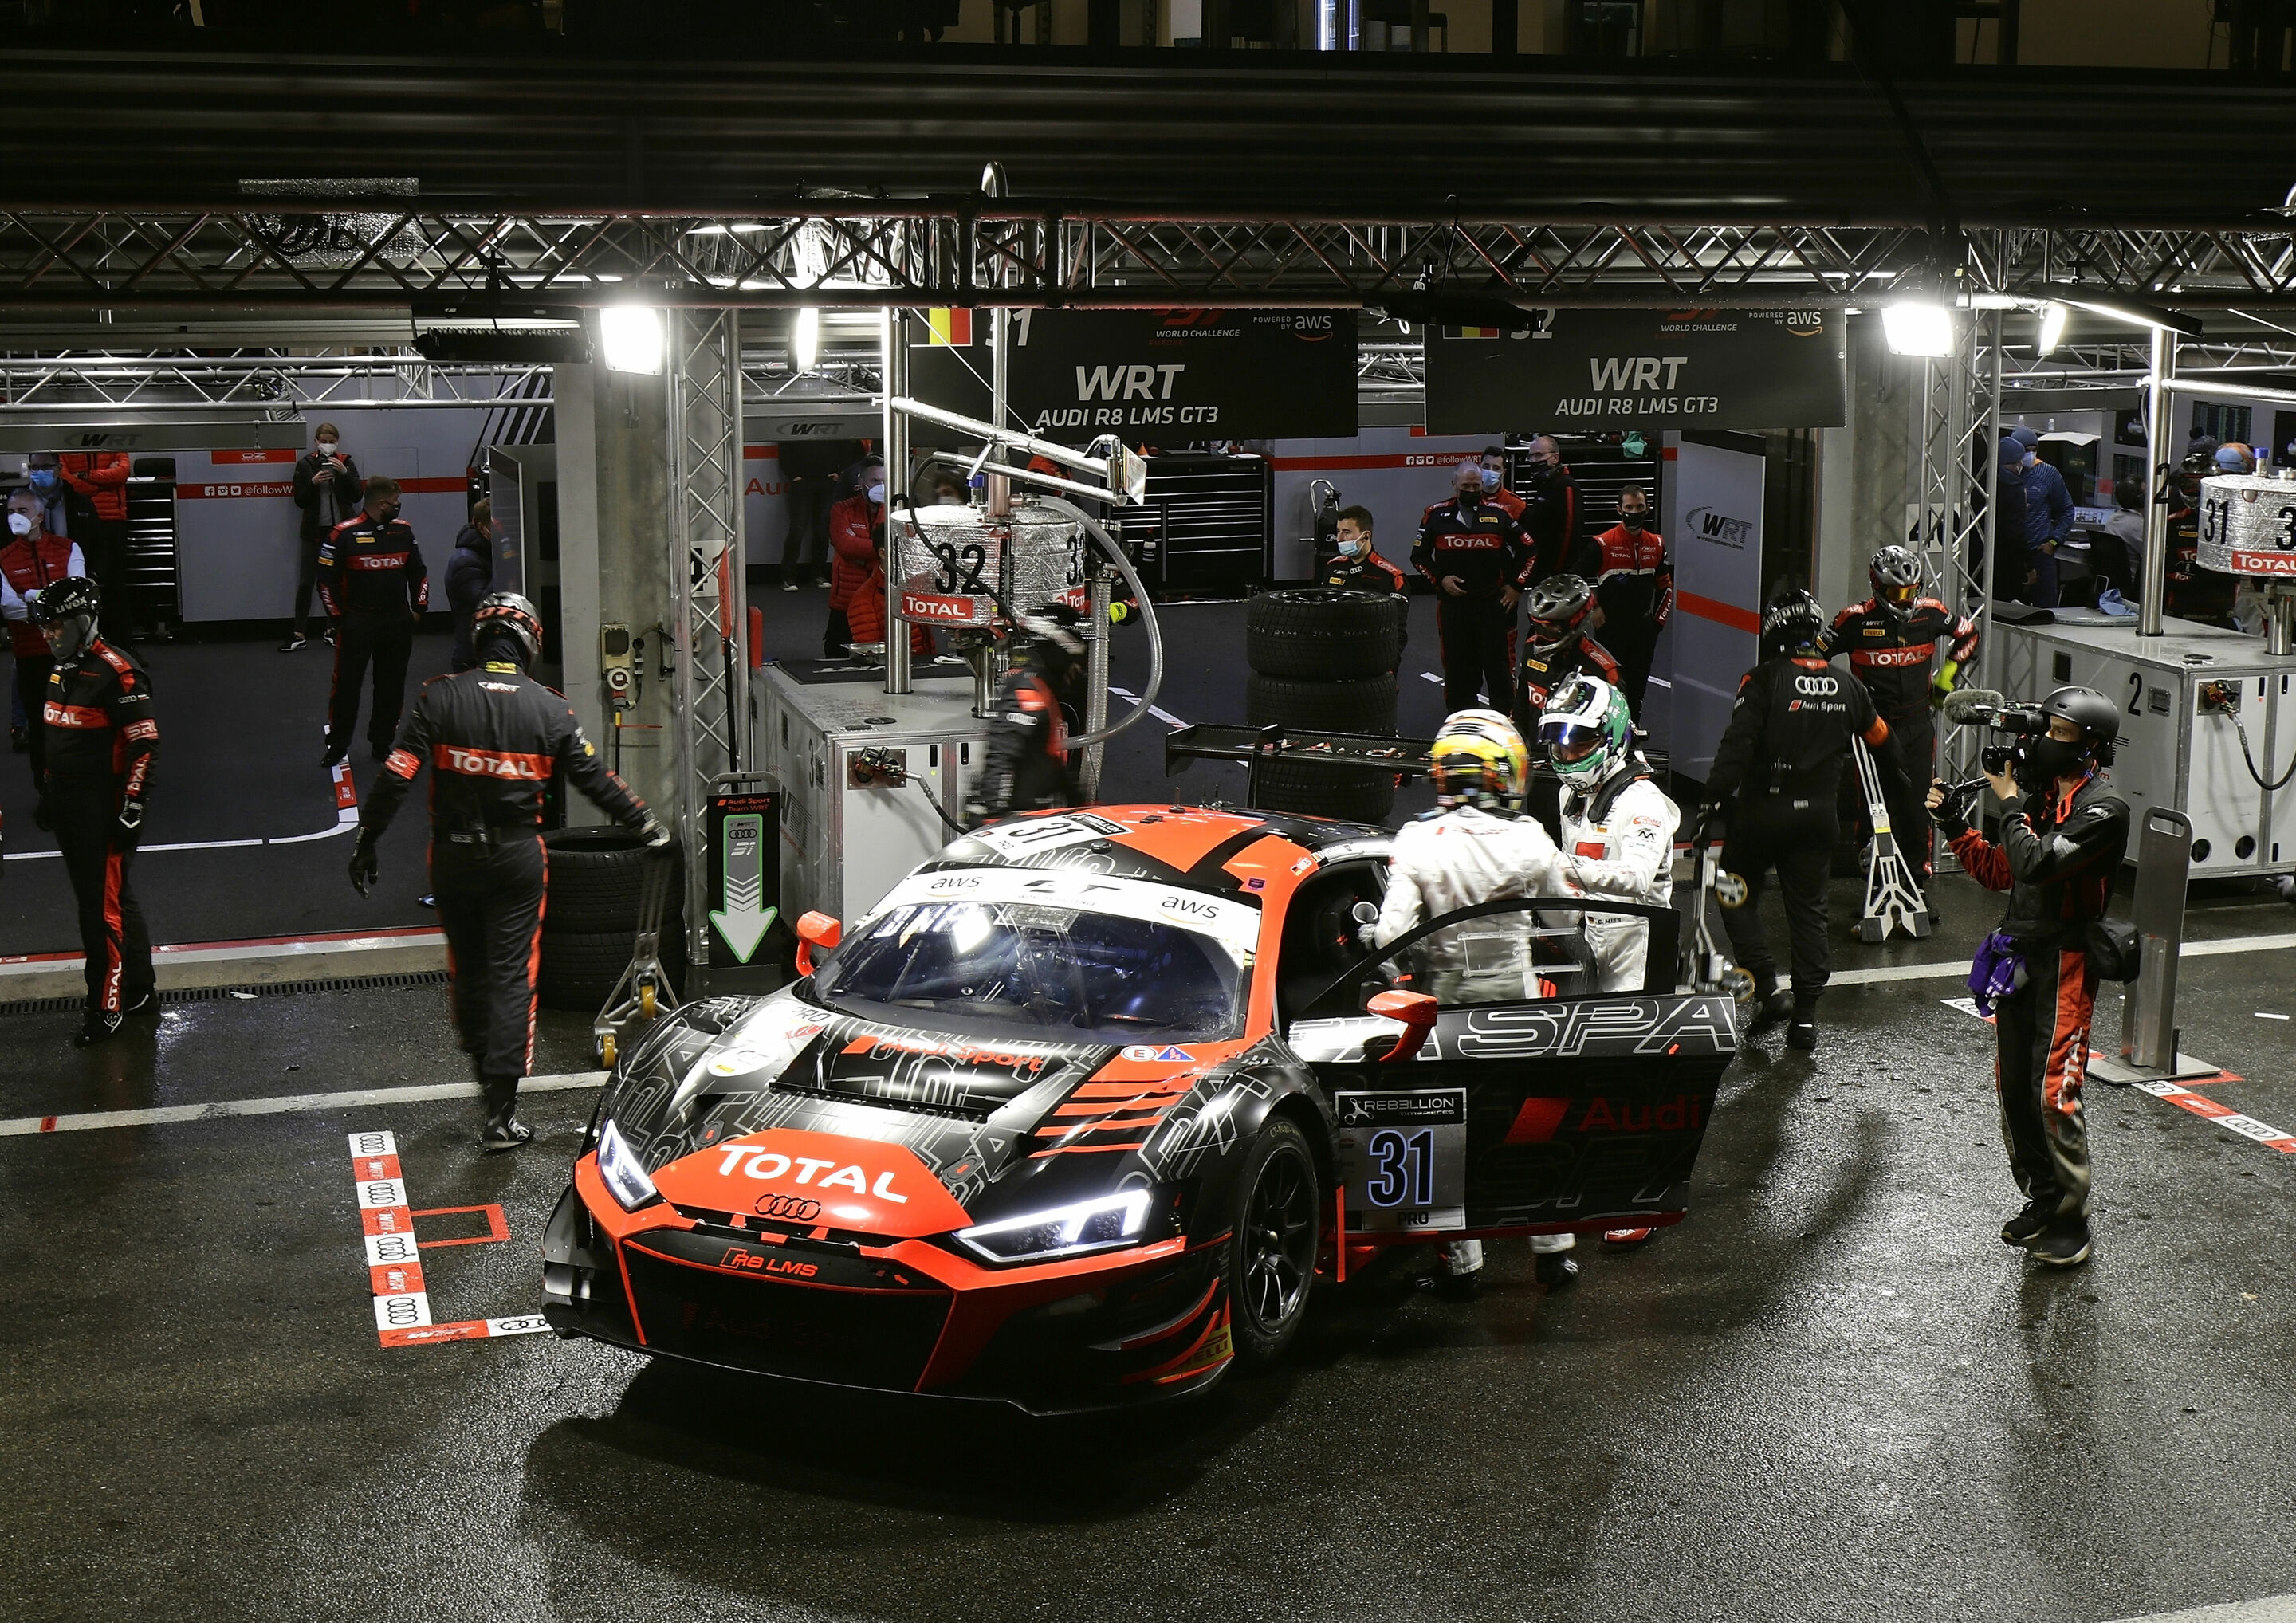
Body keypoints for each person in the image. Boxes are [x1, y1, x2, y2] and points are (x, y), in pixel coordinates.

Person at [351, 593, 664, 1150]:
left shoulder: (439, 696)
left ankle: (482, 1080)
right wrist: (644, 822)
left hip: (451, 859)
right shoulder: (549, 708)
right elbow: (593, 778)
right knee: (511, 975)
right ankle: (500, 1114)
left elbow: (397, 775)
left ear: (480, 639)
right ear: (528, 643)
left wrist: (367, 839)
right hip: (518, 859)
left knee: (469, 971)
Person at [1367, 708, 1578, 1295]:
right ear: (1500, 773)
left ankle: (1462, 1268)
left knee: (1447, 1135)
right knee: (1531, 1126)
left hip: (1445, 1013)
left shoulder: (1416, 840)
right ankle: (1554, 1253)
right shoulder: (1529, 838)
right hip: (1518, 1006)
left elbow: (1388, 938)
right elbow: (1564, 919)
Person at [1926, 687, 2128, 1269]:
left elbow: (2039, 861)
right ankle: (2043, 1200)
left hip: (2067, 962)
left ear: (2090, 746)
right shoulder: (2043, 800)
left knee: (2053, 1092)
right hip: (2020, 958)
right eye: (2047, 730)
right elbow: (2000, 869)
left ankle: (2073, 1221)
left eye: (2060, 734)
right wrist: (1954, 822)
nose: (2044, 742)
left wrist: (2009, 801)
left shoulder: (2104, 810)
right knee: (2013, 1087)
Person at [1700, 589, 1904, 1051]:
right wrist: (1902, 785)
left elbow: (1737, 745)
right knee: (1809, 913)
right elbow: (1885, 742)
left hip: (1761, 817)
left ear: (1775, 629)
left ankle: (1769, 990)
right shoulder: (1848, 685)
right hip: (1818, 819)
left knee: (1733, 893)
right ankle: (1806, 1017)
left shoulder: (1762, 679)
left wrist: (1712, 800)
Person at [1539, 672, 1681, 1246]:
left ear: (1613, 736)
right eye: (1560, 740)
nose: (1567, 753)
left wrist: (1561, 873)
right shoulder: (1570, 793)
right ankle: (1597, 1174)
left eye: (1579, 741)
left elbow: (1637, 876)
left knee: (1632, 1074)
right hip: (1592, 941)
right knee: (1584, 1065)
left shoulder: (1642, 803)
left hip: (1641, 945)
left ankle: (1642, 1196)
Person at [28, 578, 158, 1048]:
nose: (50, 635)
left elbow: (145, 746)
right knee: (114, 901)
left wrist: (133, 806)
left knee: (99, 911)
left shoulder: (117, 672)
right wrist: (49, 789)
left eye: (58, 626)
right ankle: (139, 990)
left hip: (102, 811)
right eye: (45, 627)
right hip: (69, 806)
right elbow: (57, 736)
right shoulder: (60, 670)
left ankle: (107, 1006)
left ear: (84, 621)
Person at [1818, 544, 1979, 891]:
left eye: (1911, 590)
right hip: (1874, 729)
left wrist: (1946, 677)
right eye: (1895, 592)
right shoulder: (1854, 619)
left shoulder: (1932, 613)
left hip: (1919, 725)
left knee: (1918, 805)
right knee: (1874, 806)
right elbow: (1812, 658)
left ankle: (1918, 882)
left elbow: (1969, 633)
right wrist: (1836, 699)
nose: (1904, 599)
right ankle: (1874, 878)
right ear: (1876, 587)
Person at [317, 474, 428, 767]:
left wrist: (419, 608)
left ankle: (382, 742)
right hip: (359, 621)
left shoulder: (404, 532)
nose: (399, 506)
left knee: (392, 685)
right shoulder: (343, 534)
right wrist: (340, 618)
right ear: (381, 504)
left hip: (396, 622)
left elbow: (419, 572)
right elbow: (325, 582)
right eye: (395, 502)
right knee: (346, 686)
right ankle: (338, 745)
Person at [1413, 459, 1531, 714]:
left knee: (1499, 671)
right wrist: (1439, 580)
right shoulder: (1434, 515)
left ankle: (1505, 727)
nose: (1471, 490)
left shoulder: (1500, 514)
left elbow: (1530, 551)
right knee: (1458, 672)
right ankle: (1459, 726)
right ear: (1455, 484)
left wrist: (1516, 587)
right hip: (1453, 608)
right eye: (1466, 485)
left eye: (1476, 485)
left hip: (1492, 605)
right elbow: (1418, 557)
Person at [965, 610, 1087, 825]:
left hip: (1030, 811)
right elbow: (1002, 754)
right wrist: (995, 814)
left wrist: (1079, 803)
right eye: (1073, 658)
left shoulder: (1042, 686)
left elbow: (1047, 758)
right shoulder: (1029, 691)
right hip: (1011, 816)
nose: (1075, 668)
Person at [1, 488, 85, 789]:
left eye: (22, 511)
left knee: (79, 723)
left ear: (38, 515)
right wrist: (51, 602)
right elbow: (9, 607)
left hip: (71, 655)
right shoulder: (3, 559)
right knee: (39, 727)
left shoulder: (68, 549)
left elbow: (77, 597)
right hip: (31, 657)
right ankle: (46, 792)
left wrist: (31, 598)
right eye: (11, 512)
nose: (15, 518)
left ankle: (82, 786)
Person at [1587, 485, 1672, 717]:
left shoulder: (1656, 544)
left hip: (1643, 630)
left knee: (1637, 689)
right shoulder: (1602, 543)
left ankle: (1633, 734)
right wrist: (1593, 608)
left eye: (1639, 507)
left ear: (1647, 509)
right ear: (1619, 510)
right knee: (1608, 687)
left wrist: (1657, 625)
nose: (1634, 512)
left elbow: (1666, 588)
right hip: (1610, 630)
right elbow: (1573, 580)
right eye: (1629, 507)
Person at [287, 423, 363, 652]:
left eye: (331, 440)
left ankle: (333, 629)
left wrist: (344, 474)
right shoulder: (305, 464)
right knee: (306, 582)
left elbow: (357, 495)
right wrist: (313, 483)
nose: (327, 445)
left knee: (339, 581)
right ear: (316, 441)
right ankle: (299, 632)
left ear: (337, 441)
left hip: (340, 532)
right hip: (313, 531)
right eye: (324, 440)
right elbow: (299, 500)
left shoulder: (346, 462)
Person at [58, 450, 131, 635]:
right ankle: (84, 640)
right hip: (80, 521)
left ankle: (121, 643)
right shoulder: (66, 448)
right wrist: (98, 485)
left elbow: (122, 474)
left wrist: (85, 475)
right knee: (81, 583)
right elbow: (66, 481)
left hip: (113, 520)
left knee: (116, 584)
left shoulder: (114, 443)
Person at [777, 435, 861, 591]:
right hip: (802, 483)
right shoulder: (796, 422)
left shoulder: (829, 421)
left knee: (822, 530)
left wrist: (840, 471)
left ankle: (818, 574)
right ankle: (787, 577)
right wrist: (792, 474)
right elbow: (784, 446)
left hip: (827, 481)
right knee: (797, 530)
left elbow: (847, 445)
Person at [824, 456, 887, 658]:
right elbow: (845, 545)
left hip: (882, 598)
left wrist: (863, 552)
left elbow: (900, 546)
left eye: (885, 481)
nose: (881, 486)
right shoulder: (842, 510)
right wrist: (880, 552)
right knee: (837, 654)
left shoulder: (896, 511)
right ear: (862, 483)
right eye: (876, 481)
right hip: (846, 598)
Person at [843, 529, 937, 662]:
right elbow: (871, 657)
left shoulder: (914, 585)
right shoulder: (864, 600)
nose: (909, 554)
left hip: (926, 670)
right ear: (883, 553)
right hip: (894, 676)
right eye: (903, 548)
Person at [2164, 452, 2235, 626]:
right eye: (2190, 484)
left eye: (2201, 484)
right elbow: (2163, 573)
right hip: (2179, 615)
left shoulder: (2233, 525)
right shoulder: (2172, 522)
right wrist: (2200, 574)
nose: (2195, 490)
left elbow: (2229, 575)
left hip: (2220, 617)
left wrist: (2189, 570)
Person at [1516, 434, 1586, 585]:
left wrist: (1558, 571)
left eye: (1539, 455)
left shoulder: (1566, 486)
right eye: (1531, 456)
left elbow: (1569, 531)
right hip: (1539, 570)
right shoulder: (1544, 485)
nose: (1534, 460)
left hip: (1557, 574)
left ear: (1555, 458)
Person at [2017, 439, 2076, 608]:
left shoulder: (2047, 473)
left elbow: (2067, 510)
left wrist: (2054, 541)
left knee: (2046, 611)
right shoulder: (2004, 473)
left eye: (2033, 450)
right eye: (2025, 450)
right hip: (2013, 555)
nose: (2030, 454)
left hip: (2041, 553)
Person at [446, 499, 495, 673]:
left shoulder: (484, 553)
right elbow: (482, 603)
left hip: (484, 649)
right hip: (472, 656)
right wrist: (506, 565)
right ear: (482, 528)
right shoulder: (465, 561)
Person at [1316, 505, 1406, 594]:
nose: (1339, 538)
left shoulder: (1392, 577)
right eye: (1338, 531)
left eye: (1346, 532)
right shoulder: (1333, 566)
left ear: (1366, 536)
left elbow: (1395, 609)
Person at [1991, 438, 2035, 604]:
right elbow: (2016, 532)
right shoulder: (2015, 488)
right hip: (2009, 561)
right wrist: (2028, 567)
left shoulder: (1986, 482)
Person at [2101, 475, 2146, 602]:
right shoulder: (2139, 526)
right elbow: (2157, 556)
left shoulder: (2113, 519)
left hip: (2114, 585)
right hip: (2134, 588)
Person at [1477, 445, 1525, 520]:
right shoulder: (1466, 499)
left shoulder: (1516, 505)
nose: (1490, 471)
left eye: (1496, 468)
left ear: (1503, 473)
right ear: (1480, 468)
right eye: (1486, 466)